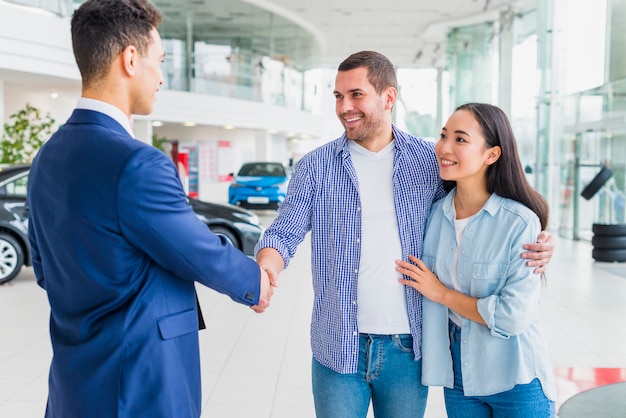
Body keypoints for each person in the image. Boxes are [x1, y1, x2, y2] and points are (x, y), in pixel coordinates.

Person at [255, 51, 554, 417]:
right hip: (337, 345)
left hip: (409, 350)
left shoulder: (431, 162)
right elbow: (283, 231)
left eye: (356, 95)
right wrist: (265, 268)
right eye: (338, 96)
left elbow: (483, 205)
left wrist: (540, 239)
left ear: (388, 97)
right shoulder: (315, 167)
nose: (344, 106)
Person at [27, 1, 273, 417]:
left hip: (75, 385)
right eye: (159, 61)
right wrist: (256, 281)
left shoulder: (46, 158)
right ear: (130, 59)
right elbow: (194, 248)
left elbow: (45, 270)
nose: (160, 75)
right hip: (140, 386)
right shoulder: (136, 162)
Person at [396, 103, 556, 417]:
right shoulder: (433, 216)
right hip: (459, 376)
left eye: (460, 139)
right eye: (443, 136)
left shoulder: (519, 222)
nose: (444, 147)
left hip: (516, 377)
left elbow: (513, 316)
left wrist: (441, 294)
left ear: (491, 154)